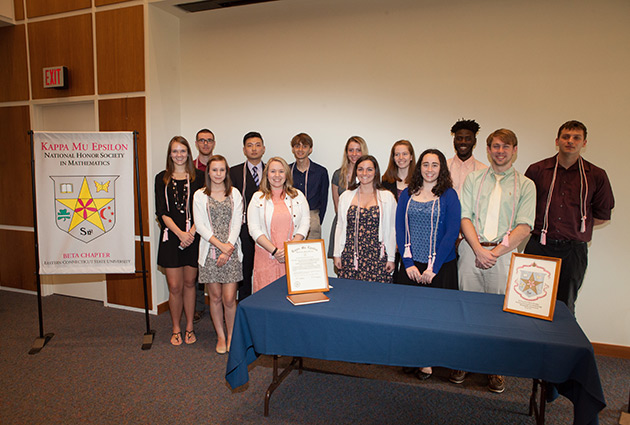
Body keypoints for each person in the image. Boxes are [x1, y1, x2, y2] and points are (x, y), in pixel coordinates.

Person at [454, 128, 536, 393]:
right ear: (488, 150)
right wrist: (478, 249)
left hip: (504, 255)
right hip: (471, 250)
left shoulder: (526, 185)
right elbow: (464, 217)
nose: (500, 151)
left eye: (506, 146)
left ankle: (495, 368)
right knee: (468, 309)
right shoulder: (473, 179)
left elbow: (525, 226)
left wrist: (495, 253)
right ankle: (464, 361)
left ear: (514, 150)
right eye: (495, 146)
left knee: (499, 314)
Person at [524, 120, 614, 315]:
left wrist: (574, 228)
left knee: (564, 306)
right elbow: (524, 208)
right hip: (539, 246)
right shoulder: (537, 170)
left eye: (576, 138)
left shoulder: (596, 175)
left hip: (573, 251)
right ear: (557, 141)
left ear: (584, 143)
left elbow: (601, 216)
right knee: (529, 302)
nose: (570, 141)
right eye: (566, 137)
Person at [395, 149, 460, 381]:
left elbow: (452, 233)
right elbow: (401, 229)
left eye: (434, 165)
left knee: (435, 317)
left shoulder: (449, 195)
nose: (429, 169)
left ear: (441, 168)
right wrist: (408, 263)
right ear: (419, 167)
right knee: (411, 315)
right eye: (425, 164)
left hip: (440, 268)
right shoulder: (407, 194)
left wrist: (434, 268)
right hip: (412, 266)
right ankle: (411, 355)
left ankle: (428, 361)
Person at [154, 136, 205, 346]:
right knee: (174, 287)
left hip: (193, 237)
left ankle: (189, 328)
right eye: (175, 151)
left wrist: (191, 233)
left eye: (183, 151)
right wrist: (180, 234)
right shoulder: (161, 178)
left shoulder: (199, 177)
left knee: (189, 283)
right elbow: (162, 211)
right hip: (171, 238)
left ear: (188, 153)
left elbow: (203, 209)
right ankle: (176, 328)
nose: (179, 155)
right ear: (169, 154)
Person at [193, 155, 243, 355]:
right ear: (208, 172)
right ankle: (221, 336)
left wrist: (228, 248)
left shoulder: (235, 194)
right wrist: (220, 247)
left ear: (226, 172)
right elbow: (201, 227)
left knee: (229, 298)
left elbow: (238, 222)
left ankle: (232, 335)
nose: (218, 174)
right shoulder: (199, 195)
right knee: (214, 297)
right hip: (209, 252)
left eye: (222, 170)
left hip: (231, 251)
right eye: (214, 170)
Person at [247, 157, 310, 293]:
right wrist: (275, 251)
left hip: (292, 256)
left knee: (290, 296)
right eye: (273, 171)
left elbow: (305, 222)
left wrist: (290, 249)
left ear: (286, 174)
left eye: (281, 171)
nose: (277, 175)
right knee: (266, 297)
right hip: (265, 256)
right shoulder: (257, 198)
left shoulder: (298, 196)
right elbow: (254, 229)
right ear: (266, 174)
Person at [333, 155, 396, 283]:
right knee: (350, 294)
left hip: (377, 257)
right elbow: (340, 226)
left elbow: (392, 228)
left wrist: (391, 257)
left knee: (377, 296)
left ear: (376, 172)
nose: (364, 173)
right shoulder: (346, 196)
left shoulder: (387, 197)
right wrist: (337, 254)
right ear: (356, 172)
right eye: (360, 169)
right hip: (351, 255)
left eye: (369, 169)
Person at [229, 132, 265, 301]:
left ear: (263, 149)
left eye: (257, 145)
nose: (254, 148)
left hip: (266, 229)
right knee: (245, 268)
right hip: (244, 229)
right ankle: (244, 304)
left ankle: (264, 302)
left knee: (265, 267)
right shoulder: (234, 172)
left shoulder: (272, 171)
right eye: (250, 145)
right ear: (244, 149)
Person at [382, 139, 417, 281]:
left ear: (411, 157)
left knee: (408, 277)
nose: (401, 158)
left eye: (404, 154)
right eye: (397, 154)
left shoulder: (420, 182)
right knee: (391, 276)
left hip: (413, 235)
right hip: (390, 234)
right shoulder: (385, 181)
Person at [329, 136, 368, 258]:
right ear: (346, 152)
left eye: (358, 150)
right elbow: (337, 207)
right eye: (351, 150)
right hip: (342, 224)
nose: (354, 154)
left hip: (363, 227)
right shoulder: (338, 175)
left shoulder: (369, 175)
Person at [192, 128, 215, 323]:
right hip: (196, 226)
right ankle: (199, 306)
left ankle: (219, 305)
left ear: (213, 143)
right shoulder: (190, 168)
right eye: (202, 140)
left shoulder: (220, 166)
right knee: (198, 266)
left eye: (209, 140)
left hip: (217, 227)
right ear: (197, 143)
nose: (205, 144)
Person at [289, 133, 329, 239]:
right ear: (293, 149)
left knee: (311, 253)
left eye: (304, 146)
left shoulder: (321, 172)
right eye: (297, 146)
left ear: (310, 149)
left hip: (313, 217)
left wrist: (317, 219)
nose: (300, 149)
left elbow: (323, 199)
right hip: (290, 217)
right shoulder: (287, 171)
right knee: (291, 252)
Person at [447, 119, 487, 197]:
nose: (463, 142)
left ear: (474, 141)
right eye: (459, 138)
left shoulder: (484, 171)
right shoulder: (443, 167)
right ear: (454, 141)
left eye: (468, 139)